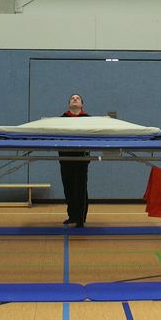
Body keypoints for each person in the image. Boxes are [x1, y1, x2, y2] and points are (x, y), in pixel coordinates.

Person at [59, 94, 90, 227]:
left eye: (77, 98)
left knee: (80, 187)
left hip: (81, 157)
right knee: (68, 187)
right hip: (65, 157)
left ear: (82, 104)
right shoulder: (62, 119)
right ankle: (72, 215)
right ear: (69, 104)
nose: (75, 99)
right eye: (72, 98)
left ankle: (80, 218)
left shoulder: (88, 119)